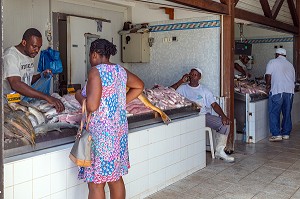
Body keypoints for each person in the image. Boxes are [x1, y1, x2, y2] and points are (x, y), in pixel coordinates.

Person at [75, 38, 144, 199]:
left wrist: (79, 95)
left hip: (101, 134)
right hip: (118, 131)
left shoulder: (95, 71)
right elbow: (139, 85)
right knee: (115, 177)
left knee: (96, 182)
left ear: (93, 54)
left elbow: (91, 106)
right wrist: (120, 102)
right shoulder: (120, 70)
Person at [171, 68, 234, 162]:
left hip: (202, 117)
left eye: (195, 75)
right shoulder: (182, 88)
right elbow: (169, 91)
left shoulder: (204, 90)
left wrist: (223, 116)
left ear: (199, 77)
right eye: (191, 74)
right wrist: (181, 81)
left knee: (225, 124)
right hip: (186, 118)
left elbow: (214, 105)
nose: (192, 76)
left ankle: (219, 151)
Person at [3, 28, 64, 112]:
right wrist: (46, 97)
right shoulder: (11, 56)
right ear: (24, 42)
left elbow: (27, 80)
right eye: (34, 46)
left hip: (19, 102)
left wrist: (41, 75)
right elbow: (16, 84)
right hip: (7, 104)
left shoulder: (30, 55)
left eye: (39, 47)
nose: (37, 50)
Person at [265, 48, 295, 142]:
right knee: (287, 113)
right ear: (285, 55)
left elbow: (268, 75)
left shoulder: (272, 62)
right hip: (289, 92)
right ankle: (286, 133)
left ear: (276, 54)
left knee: (274, 112)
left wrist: (268, 85)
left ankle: (276, 134)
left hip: (278, 90)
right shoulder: (290, 65)